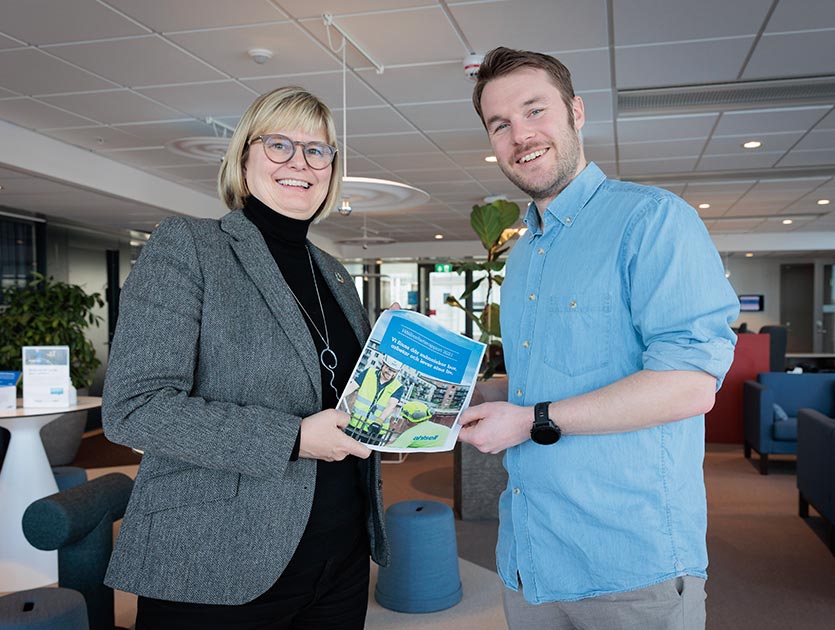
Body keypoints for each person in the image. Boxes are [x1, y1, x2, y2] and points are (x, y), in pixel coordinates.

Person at [458, 47, 739, 630]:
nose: (520, 135)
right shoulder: (523, 255)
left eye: (535, 110)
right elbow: (554, 377)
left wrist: (531, 419)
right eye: (500, 124)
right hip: (531, 558)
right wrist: (486, 396)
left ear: (577, 112)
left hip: (630, 565)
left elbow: (689, 385)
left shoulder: (653, 220)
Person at [101, 86, 389, 630]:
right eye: (279, 144)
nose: (300, 162)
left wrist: (394, 351)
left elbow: (339, 393)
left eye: (317, 150)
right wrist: (294, 438)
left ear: (331, 168)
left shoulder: (335, 273)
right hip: (217, 555)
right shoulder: (189, 246)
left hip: (340, 554)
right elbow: (134, 408)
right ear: (243, 158)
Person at [342, 356, 405, 445]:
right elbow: (351, 387)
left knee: (365, 453)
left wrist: (379, 421)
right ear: (383, 364)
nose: (390, 373)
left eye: (394, 371)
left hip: (375, 429)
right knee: (345, 446)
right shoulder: (368, 373)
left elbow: (391, 406)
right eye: (389, 369)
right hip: (356, 422)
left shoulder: (398, 387)